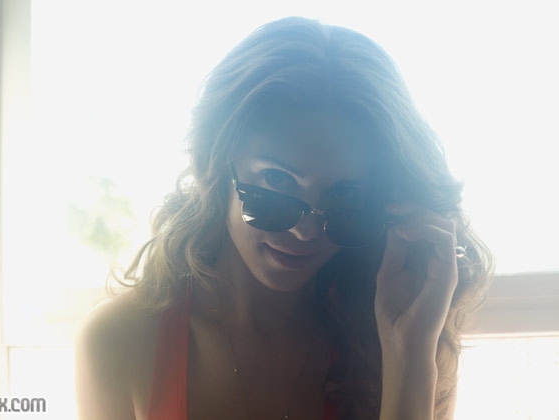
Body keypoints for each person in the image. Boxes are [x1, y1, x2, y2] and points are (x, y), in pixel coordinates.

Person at [74, 17, 493, 420]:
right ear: (216, 165)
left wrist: (408, 352)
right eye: (276, 180)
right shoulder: (119, 343)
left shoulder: (408, 336)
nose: (305, 231)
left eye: (344, 195)